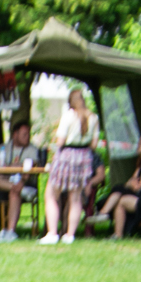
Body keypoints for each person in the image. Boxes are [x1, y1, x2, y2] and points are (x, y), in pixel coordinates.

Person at [40, 86, 98, 245]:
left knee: (51, 194)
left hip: (66, 156)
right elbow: (94, 144)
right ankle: (70, 235)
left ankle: (52, 233)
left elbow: (60, 141)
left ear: (70, 102)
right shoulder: (93, 117)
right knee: (76, 198)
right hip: (84, 157)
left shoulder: (69, 116)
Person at [96, 133, 141, 238]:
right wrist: (130, 184)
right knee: (120, 192)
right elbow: (132, 182)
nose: (138, 144)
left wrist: (131, 185)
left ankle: (104, 214)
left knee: (120, 192)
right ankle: (116, 232)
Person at [0, 119, 43, 242]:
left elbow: (30, 170)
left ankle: (10, 232)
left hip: (25, 184)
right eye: (24, 134)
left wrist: (15, 168)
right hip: (7, 184)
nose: (27, 137)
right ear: (15, 135)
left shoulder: (32, 149)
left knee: (14, 192)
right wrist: (11, 167)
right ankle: (18, 188)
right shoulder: (3, 148)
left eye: (28, 134)